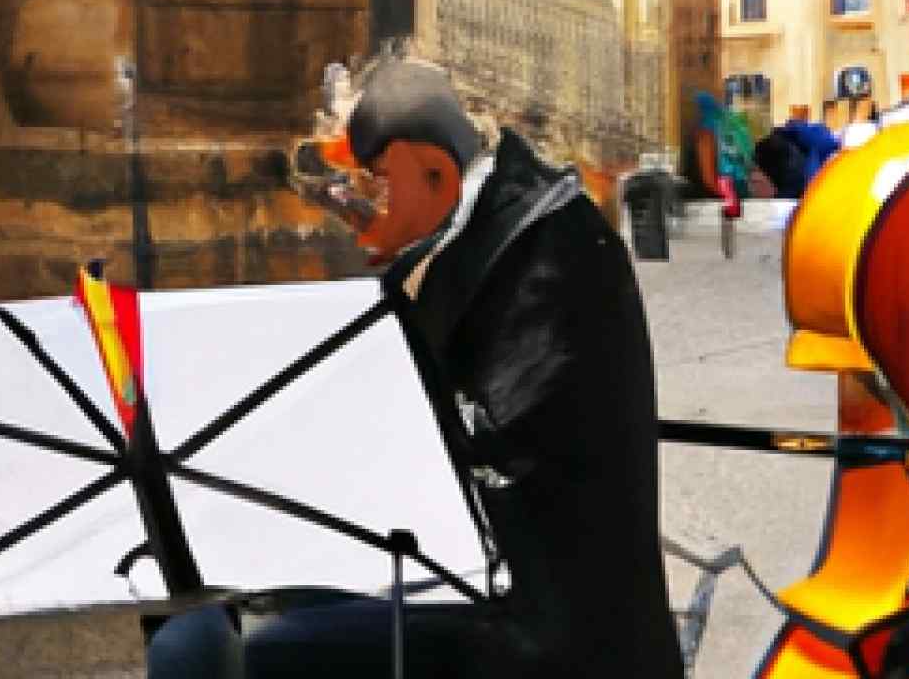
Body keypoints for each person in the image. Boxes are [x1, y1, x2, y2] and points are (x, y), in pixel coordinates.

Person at [148, 54, 683, 678]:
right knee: (197, 629)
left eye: (376, 183)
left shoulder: (553, 249)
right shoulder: (476, 231)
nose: (356, 210)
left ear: (434, 174)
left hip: (539, 620)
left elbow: (495, 444)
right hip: (458, 571)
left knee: (227, 651)